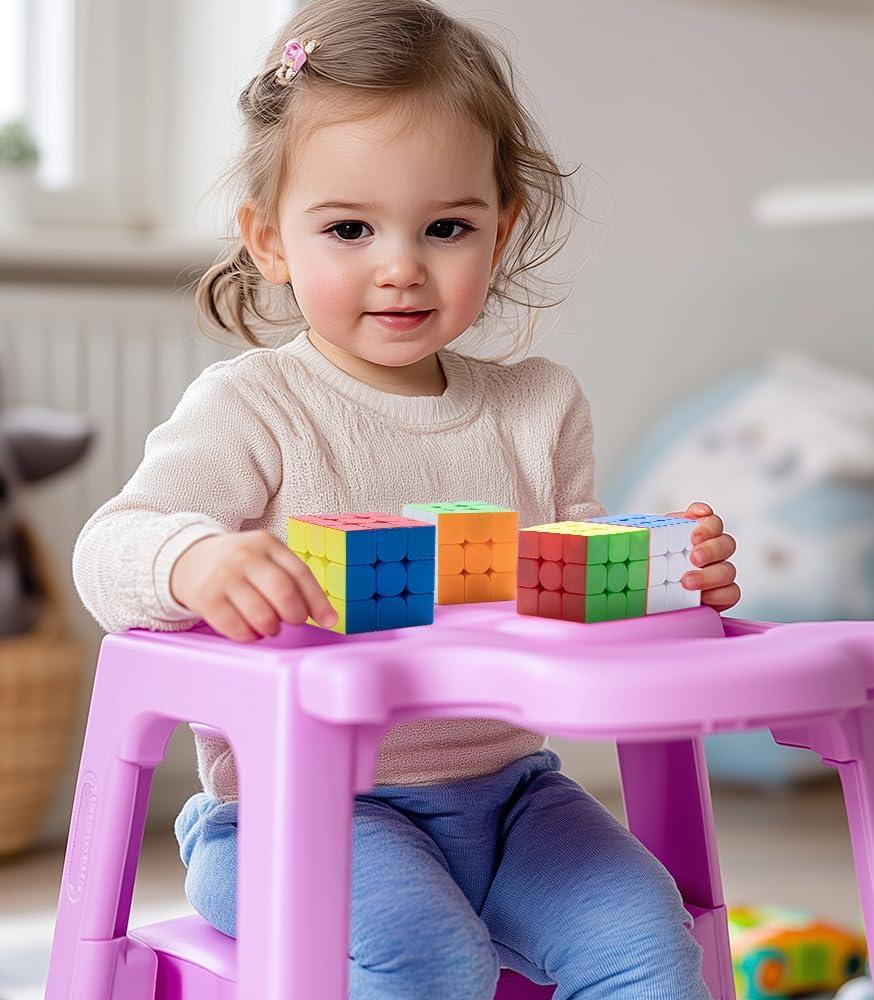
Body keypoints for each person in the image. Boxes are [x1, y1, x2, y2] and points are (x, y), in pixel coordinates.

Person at [72, 1, 739, 995]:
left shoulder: (537, 406)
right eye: (348, 227)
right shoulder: (255, 405)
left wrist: (668, 574)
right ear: (268, 240)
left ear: (500, 230)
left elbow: (574, 576)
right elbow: (109, 546)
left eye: (446, 226)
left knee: (645, 937)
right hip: (292, 813)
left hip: (515, 800)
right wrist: (195, 559)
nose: (400, 265)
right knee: (425, 955)